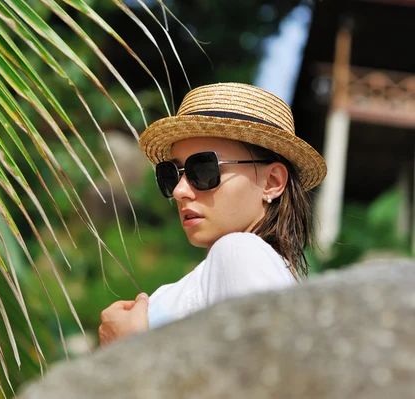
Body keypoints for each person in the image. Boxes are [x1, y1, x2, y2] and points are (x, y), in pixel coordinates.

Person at [98, 82, 327, 346]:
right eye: (172, 174)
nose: (181, 190)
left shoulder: (240, 251)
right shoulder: (226, 265)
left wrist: (129, 347)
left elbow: (270, 378)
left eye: (204, 170)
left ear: (272, 182)